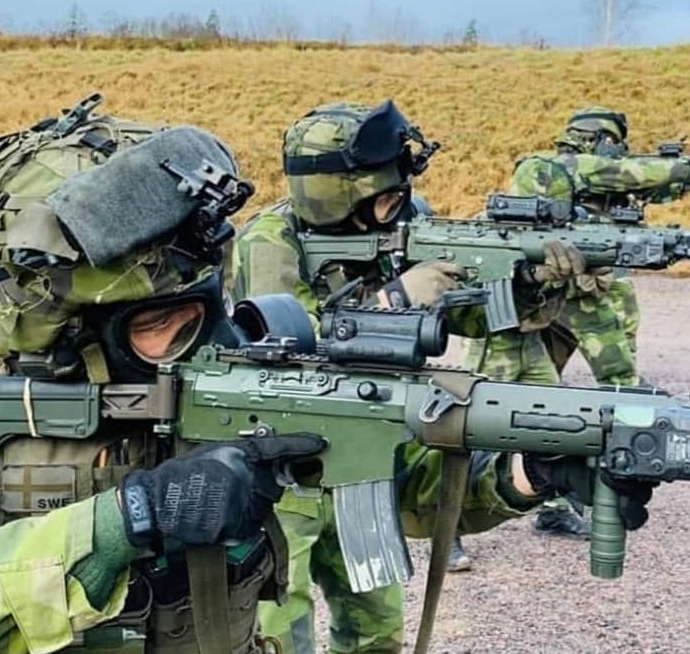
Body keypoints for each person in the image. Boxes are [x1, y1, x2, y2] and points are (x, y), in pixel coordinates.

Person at [0, 113, 329, 653]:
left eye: (211, 308)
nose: (211, 345)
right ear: (68, 334)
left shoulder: (232, 360)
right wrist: (129, 519)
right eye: (162, 323)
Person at [229, 100, 623, 653]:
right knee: (276, 629)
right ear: (338, 193)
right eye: (385, 197)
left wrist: (527, 282)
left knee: (377, 628)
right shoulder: (270, 240)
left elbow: (470, 316)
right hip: (286, 461)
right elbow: (286, 344)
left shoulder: (404, 228)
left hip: (367, 454)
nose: (399, 206)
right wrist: (395, 298)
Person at [460, 105, 690, 544]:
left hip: (532, 333)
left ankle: (554, 507)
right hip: (500, 336)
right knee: (468, 426)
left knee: (552, 420)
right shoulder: (543, 184)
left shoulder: (566, 213)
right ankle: (446, 527)